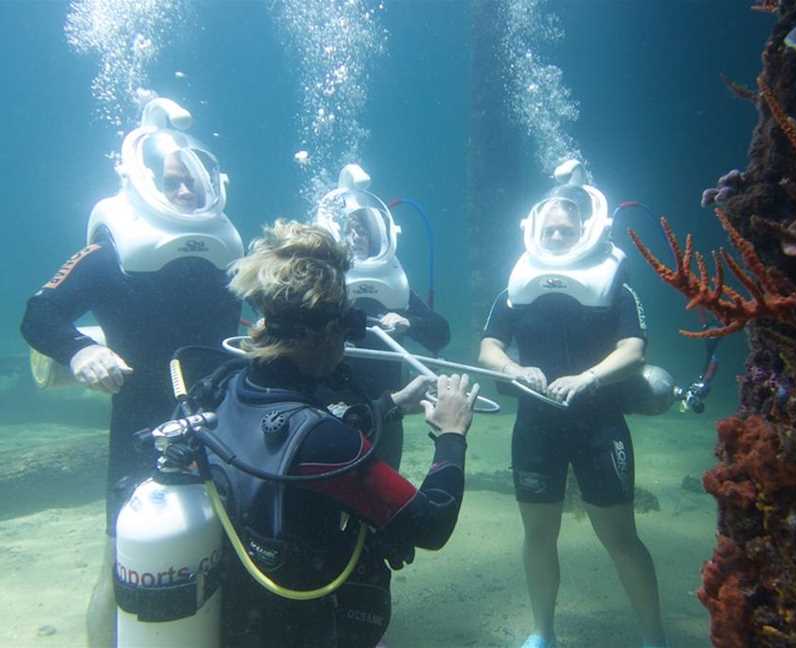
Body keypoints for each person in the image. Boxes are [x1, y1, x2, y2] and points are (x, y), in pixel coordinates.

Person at [20, 97, 243, 648]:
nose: (186, 190)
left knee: (228, 560)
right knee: (122, 565)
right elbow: (38, 313)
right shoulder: (107, 253)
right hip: (141, 426)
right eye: (172, 181)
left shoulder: (227, 255)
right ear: (142, 181)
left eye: (193, 179)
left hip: (225, 427)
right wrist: (78, 350)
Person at [206, 219, 477, 647]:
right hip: (307, 629)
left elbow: (300, 441)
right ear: (326, 332)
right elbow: (431, 524)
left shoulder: (230, 387)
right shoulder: (323, 440)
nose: (349, 342)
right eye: (349, 326)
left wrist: (389, 405)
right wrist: (452, 434)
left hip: (243, 618)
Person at [478, 160, 667, 648]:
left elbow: (634, 350)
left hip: (599, 425)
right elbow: (488, 348)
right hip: (535, 425)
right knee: (538, 536)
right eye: (551, 230)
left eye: (566, 229)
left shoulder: (617, 287)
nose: (558, 237)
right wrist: (516, 370)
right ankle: (543, 632)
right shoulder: (514, 291)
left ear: (586, 230)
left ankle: (654, 639)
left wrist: (587, 378)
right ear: (536, 231)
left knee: (620, 539)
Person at [316, 164, 450, 470]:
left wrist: (409, 323)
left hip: (388, 408)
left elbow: (441, 333)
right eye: (348, 228)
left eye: (363, 229)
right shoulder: (315, 283)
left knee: (382, 500)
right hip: (327, 408)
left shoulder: (393, 285)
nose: (356, 236)